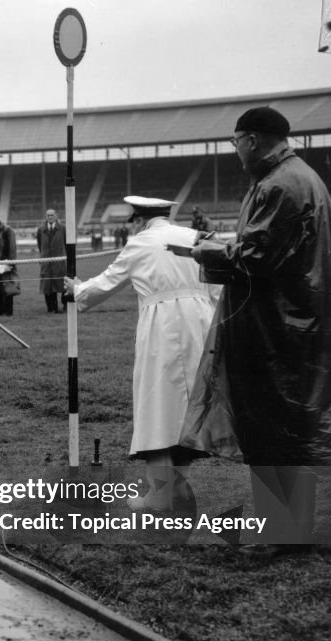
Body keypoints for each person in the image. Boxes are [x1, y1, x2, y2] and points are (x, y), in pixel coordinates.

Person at [177, 106, 331, 547]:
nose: (235, 152)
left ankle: (284, 532)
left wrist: (205, 253)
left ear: (251, 139)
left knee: (271, 425)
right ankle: (291, 527)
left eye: (235, 143)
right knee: (289, 426)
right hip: (298, 321)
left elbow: (256, 258)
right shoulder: (301, 176)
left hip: (278, 328)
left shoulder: (278, 184)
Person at [64, 196, 219, 514]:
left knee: (158, 407)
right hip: (201, 323)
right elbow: (220, 285)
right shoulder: (196, 237)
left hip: (161, 327)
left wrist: (77, 289)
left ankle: (160, 495)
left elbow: (106, 282)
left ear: (140, 219)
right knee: (190, 407)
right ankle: (175, 487)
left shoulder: (139, 244)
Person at [36, 209, 67, 313]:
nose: (50, 217)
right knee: (47, 286)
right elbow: (40, 245)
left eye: (52, 215)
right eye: (48, 215)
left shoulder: (63, 228)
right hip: (46, 263)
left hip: (60, 262)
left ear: (56, 216)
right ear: (46, 217)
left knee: (64, 285)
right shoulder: (41, 230)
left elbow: (67, 245)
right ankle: (51, 308)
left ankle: (66, 305)